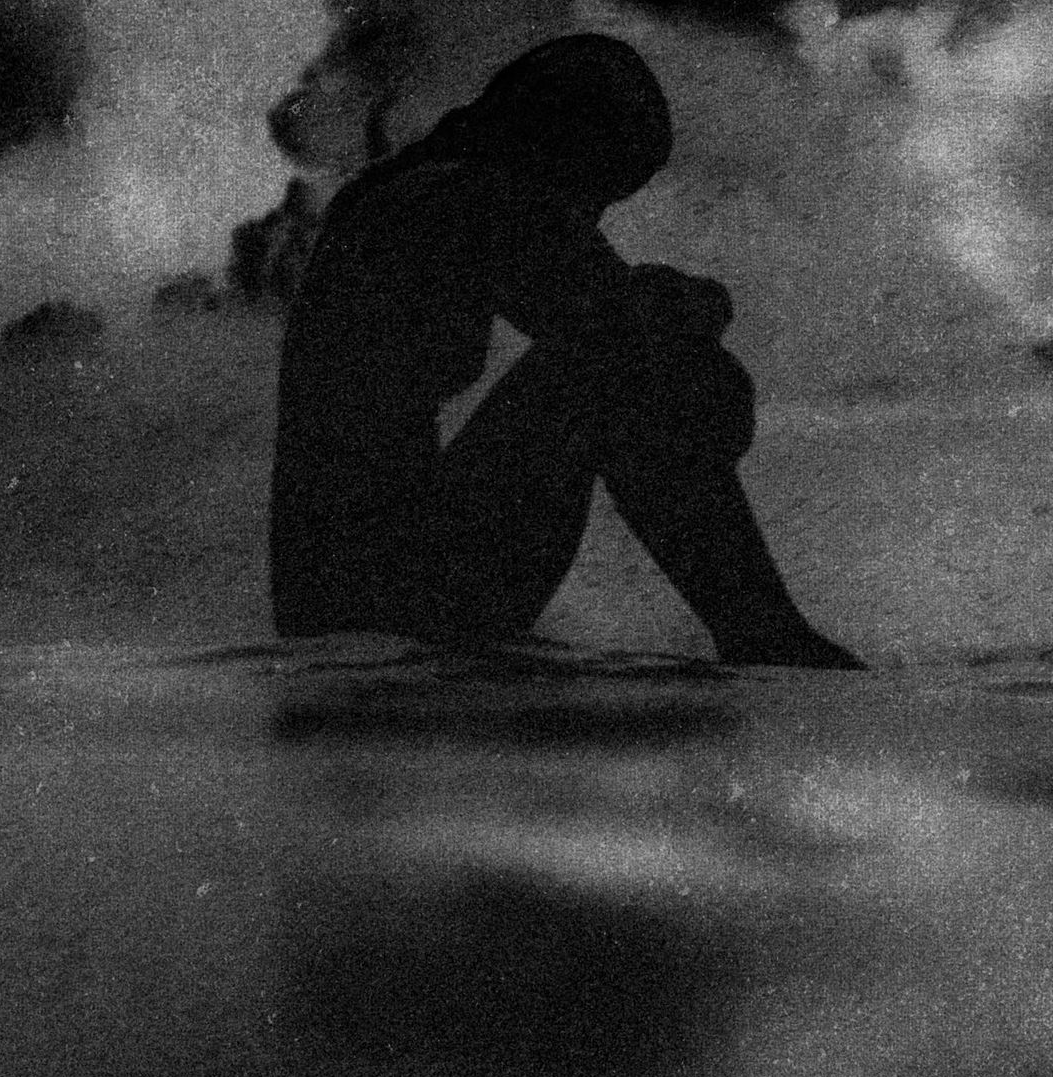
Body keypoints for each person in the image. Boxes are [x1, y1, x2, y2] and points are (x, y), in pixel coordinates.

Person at [269, 34, 864, 667]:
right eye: (600, 189)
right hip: (383, 597)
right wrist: (702, 312)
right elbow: (627, 323)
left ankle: (759, 625)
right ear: (562, 146)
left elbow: (616, 310)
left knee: (625, 347)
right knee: (617, 356)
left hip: (341, 592)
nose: (595, 216)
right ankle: (759, 628)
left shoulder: (410, 191)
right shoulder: (466, 196)